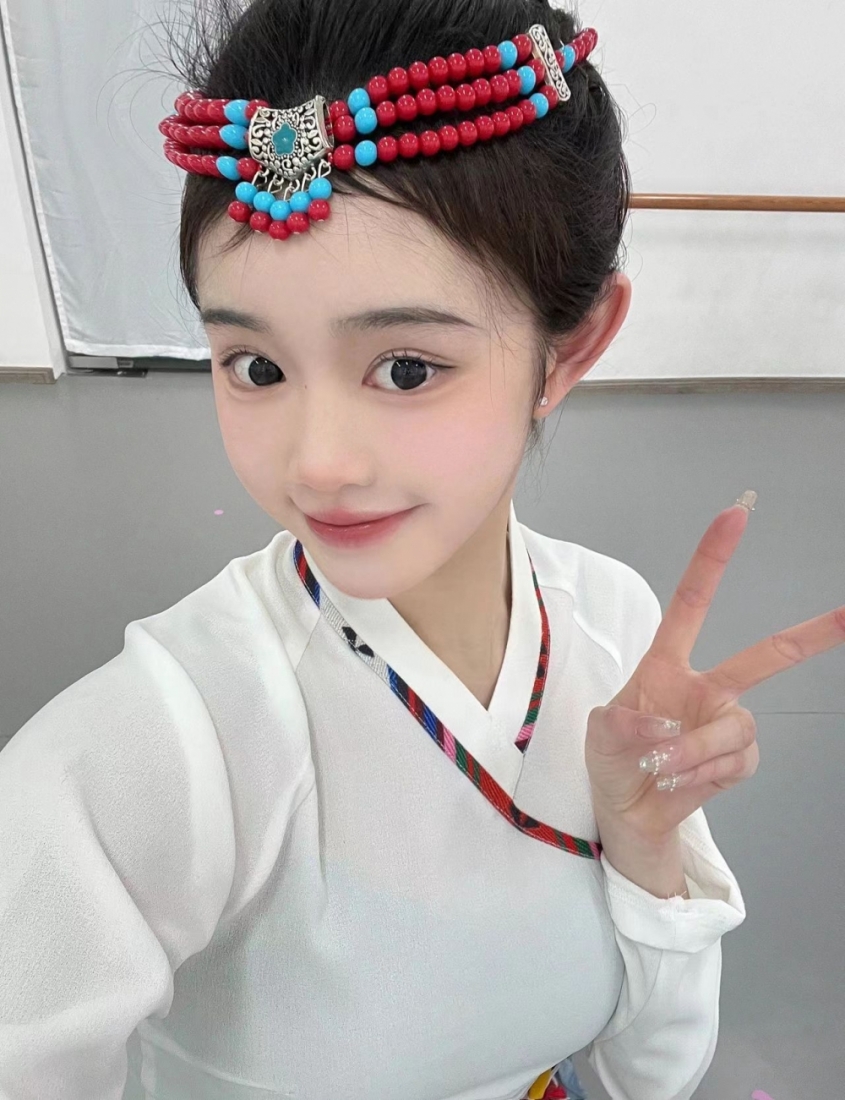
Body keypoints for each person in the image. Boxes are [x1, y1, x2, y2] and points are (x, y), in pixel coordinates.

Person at [5, 0, 844, 1097]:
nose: (317, 464)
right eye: (255, 366)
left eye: (404, 368)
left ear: (571, 346)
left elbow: (644, 1077)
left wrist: (646, 856)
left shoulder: (608, 624)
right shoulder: (162, 745)